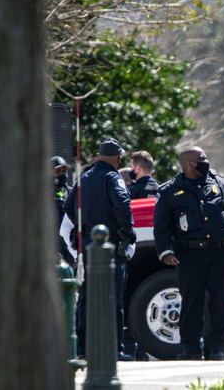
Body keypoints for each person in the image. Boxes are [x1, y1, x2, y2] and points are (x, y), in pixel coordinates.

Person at [154, 147, 224, 361]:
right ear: (188, 164)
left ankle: (217, 349)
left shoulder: (218, 184)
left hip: (220, 252)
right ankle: (191, 349)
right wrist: (166, 251)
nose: (206, 161)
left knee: (222, 303)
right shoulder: (169, 190)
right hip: (189, 254)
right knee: (192, 303)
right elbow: (161, 226)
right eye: (201, 159)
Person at [64, 138, 137, 361]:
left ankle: (83, 347)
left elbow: (68, 206)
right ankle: (112, 349)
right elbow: (123, 203)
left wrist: (82, 225)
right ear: (118, 158)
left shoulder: (83, 177)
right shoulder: (112, 177)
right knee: (113, 298)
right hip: (110, 245)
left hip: (86, 245)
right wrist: (128, 230)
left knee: (86, 297)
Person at [52, 156, 75, 266]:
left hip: (68, 244)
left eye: (64, 171)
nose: (62, 174)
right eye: (58, 171)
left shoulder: (71, 193)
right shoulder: (42, 195)